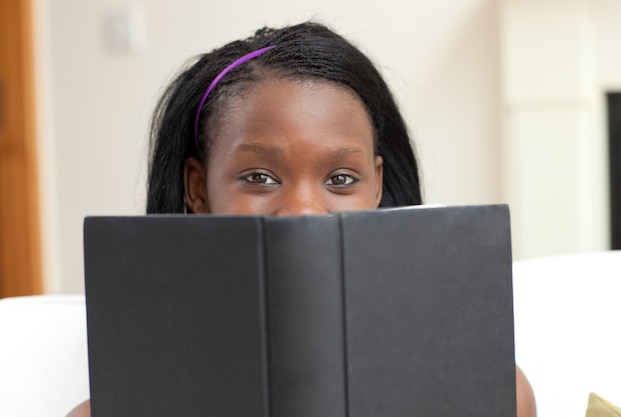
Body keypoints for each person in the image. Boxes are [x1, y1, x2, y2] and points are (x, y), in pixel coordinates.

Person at [67, 21, 535, 417]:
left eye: (341, 178)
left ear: (375, 186)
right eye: (259, 176)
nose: (304, 211)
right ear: (198, 189)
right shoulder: (117, 408)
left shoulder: (493, 394)